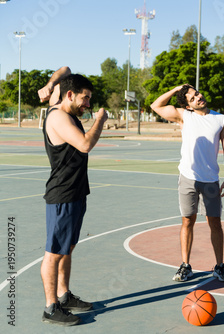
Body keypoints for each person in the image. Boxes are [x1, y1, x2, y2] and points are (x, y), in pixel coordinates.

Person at [37, 67, 108, 326]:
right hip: (62, 194)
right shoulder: (57, 117)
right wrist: (100, 119)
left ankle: (64, 295)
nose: (88, 104)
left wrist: (49, 84)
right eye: (85, 98)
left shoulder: (61, 101)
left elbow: (65, 69)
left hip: (76, 192)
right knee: (54, 252)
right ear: (69, 95)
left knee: (67, 248)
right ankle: (50, 308)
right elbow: (86, 144)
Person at [151, 84, 224, 282]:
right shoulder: (184, 116)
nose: (198, 97)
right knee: (187, 220)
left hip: (211, 180)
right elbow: (156, 106)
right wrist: (176, 89)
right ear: (188, 106)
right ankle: (185, 266)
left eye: (197, 93)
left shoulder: (221, 120)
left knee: (215, 222)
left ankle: (220, 266)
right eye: (192, 97)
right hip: (188, 177)